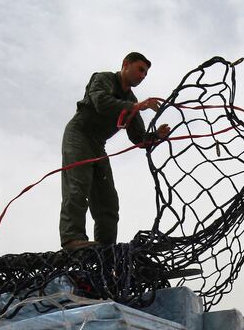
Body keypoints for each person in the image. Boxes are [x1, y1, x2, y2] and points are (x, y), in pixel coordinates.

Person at [59, 52, 171, 250]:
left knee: (108, 200)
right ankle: (72, 239)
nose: (142, 76)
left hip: (97, 144)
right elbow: (101, 103)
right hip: (79, 134)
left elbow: (138, 138)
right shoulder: (103, 79)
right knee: (78, 186)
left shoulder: (132, 99)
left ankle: (105, 250)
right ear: (125, 65)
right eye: (140, 70)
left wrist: (156, 137)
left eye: (145, 74)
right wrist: (137, 106)